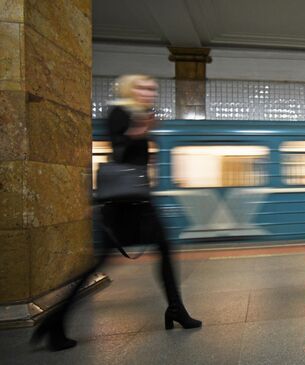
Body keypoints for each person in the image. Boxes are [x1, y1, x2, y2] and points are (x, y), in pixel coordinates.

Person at [31, 74, 201, 352]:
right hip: (124, 206)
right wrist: (140, 131)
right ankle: (55, 321)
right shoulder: (119, 112)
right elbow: (119, 151)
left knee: (166, 251)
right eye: (142, 87)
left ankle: (176, 309)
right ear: (128, 89)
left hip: (139, 201)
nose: (149, 93)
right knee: (101, 264)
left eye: (152, 89)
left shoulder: (137, 115)